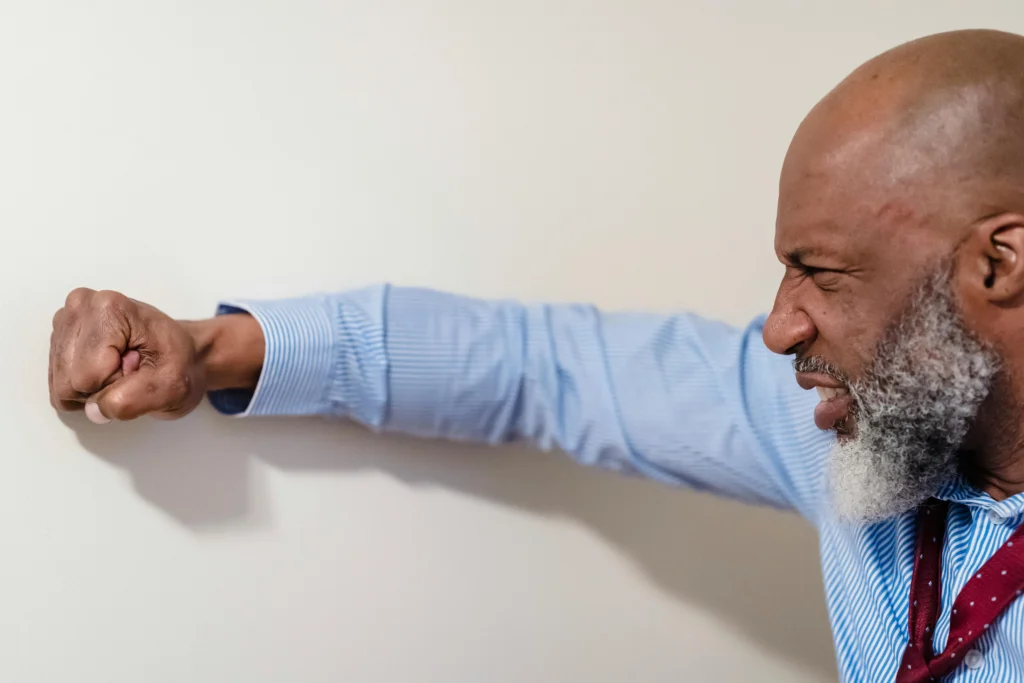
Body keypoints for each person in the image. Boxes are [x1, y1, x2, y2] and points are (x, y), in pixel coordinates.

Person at [46, 28, 1024, 682]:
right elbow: (539, 366)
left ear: (1000, 261)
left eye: (824, 273)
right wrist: (205, 347)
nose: (778, 327)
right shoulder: (853, 427)